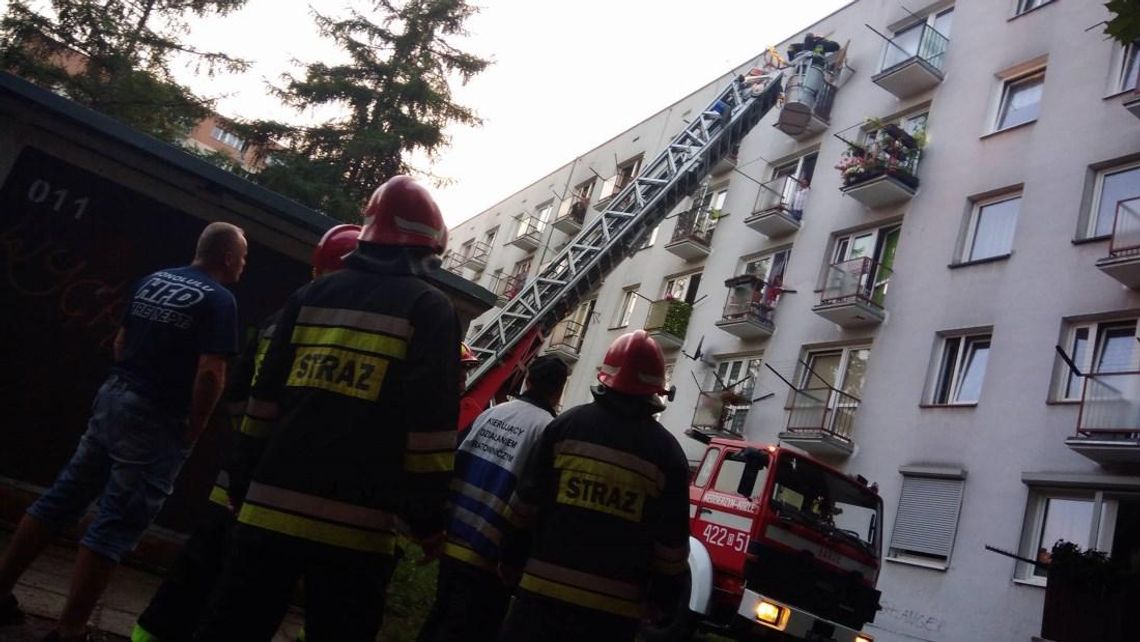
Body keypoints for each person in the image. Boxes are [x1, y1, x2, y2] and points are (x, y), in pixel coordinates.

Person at [193, 175, 460, 642]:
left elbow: (263, 401)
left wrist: (241, 477)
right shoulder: (429, 308)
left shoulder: (309, 296)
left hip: (267, 509)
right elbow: (429, 431)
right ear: (426, 248)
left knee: (229, 629)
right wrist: (428, 519)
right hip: (357, 531)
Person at [0, 222, 247, 642]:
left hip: (114, 396)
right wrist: (196, 425)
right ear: (227, 258)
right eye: (243, 256)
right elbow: (210, 373)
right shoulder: (220, 301)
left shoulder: (153, 281)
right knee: (116, 522)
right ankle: (71, 629)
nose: (244, 264)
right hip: (156, 418)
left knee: (62, 497)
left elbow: (120, 342)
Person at [130, 224, 360, 642]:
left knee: (194, 573)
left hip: (234, 478)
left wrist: (245, 440)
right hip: (280, 492)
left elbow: (235, 397)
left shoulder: (279, 319)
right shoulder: (343, 331)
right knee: (242, 600)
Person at [498, 330, 691, 642]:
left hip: (539, 598)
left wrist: (509, 560)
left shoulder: (564, 427)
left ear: (605, 378)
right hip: (611, 617)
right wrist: (662, 601)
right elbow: (671, 550)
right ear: (656, 391)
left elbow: (523, 508)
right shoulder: (668, 456)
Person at [418, 355, 571, 642]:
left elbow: (454, 464)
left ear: (528, 380)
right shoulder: (548, 431)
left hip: (452, 539)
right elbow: (533, 501)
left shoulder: (493, 413)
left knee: (440, 619)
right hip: (491, 557)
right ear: (559, 389)